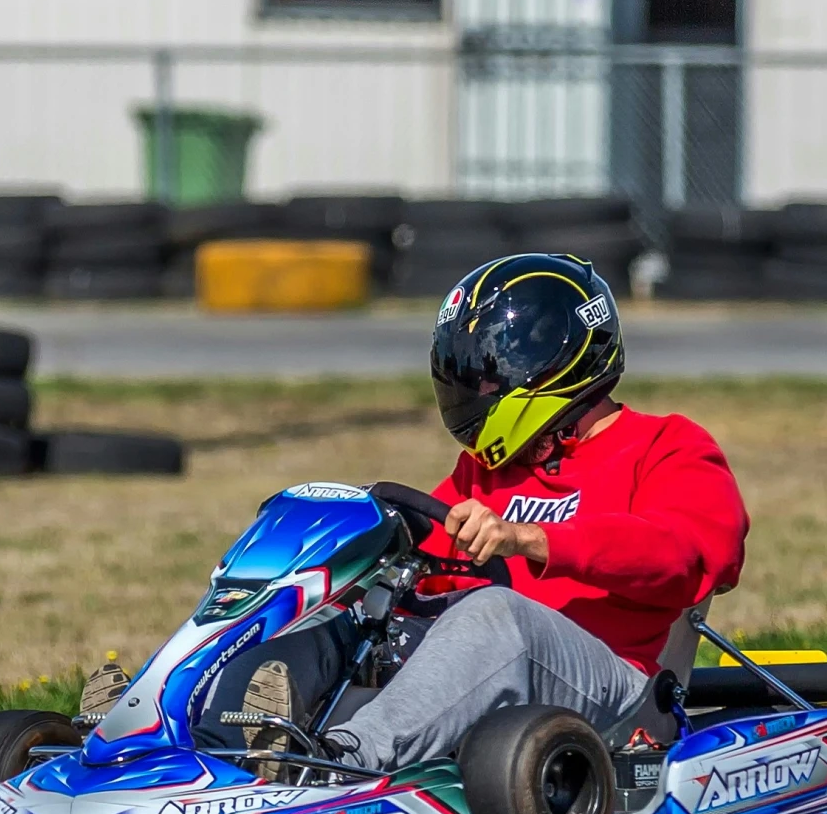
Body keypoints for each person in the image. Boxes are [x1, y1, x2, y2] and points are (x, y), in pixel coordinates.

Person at [82, 252, 751, 770]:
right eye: (468, 374)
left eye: (490, 374)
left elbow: (689, 556)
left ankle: (339, 762)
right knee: (343, 609)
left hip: (614, 692)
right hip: (488, 680)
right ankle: (182, 736)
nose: (476, 389)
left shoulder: (667, 446)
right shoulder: (486, 471)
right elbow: (426, 570)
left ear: (555, 361)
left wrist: (530, 539)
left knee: (497, 615)